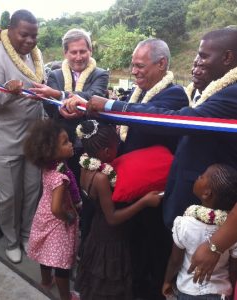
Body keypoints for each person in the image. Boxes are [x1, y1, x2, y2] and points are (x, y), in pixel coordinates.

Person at [65, 38, 189, 300]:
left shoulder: (175, 94)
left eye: (140, 66)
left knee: (150, 250)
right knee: (130, 251)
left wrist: (110, 106)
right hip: (127, 188)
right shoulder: (138, 92)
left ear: (162, 64)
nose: (134, 71)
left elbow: (148, 115)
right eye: (132, 66)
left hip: (152, 193)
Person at [0, 9, 44, 263]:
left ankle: (27, 236)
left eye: (34, 36)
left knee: (32, 191)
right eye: (24, 35)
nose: (29, 41)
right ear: (10, 29)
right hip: (3, 142)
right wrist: (9, 91)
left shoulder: (35, 56)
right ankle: (11, 240)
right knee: (9, 197)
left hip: (32, 141)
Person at [74, 119, 163, 300]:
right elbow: (112, 218)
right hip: (110, 237)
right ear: (107, 152)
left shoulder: (85, 164)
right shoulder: (101, 178)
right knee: (109, 281)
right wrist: (144, 201)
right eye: (117, 146)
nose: (119, 149)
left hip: (96, 230)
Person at [29, 28, 109, 182]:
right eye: (73, 52)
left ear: (90, 51)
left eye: (82, 51)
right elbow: (49, 105)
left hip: (90, 146)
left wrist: (60, 95)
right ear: (65, 53)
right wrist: (60, 106)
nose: (78, 57)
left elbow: (94, 96)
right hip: (61, 145)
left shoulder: (100, 74)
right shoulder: (55, 75)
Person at [24, 119, 80, 300]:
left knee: (44, 251)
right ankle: (66, 296)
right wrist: (69, 217)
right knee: (61, 263)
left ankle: (46, 281)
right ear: (50, 152)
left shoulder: (49, 167)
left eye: (69, 139)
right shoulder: (60, 177)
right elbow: (57, 208)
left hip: (43, 214)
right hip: (57, 221)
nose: (71, 143)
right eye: (65, 142)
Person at [162, 163, 237, 300]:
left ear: (207, 193)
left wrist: (167, 280)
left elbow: (175, 260)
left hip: (188, 291)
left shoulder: (184, 224)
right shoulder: (231, 232)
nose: (198, 177)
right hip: (221, 293)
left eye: (202, 176)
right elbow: (233, 267)